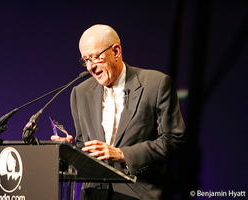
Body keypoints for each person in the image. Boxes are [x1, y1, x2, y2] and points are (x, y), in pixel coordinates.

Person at [51, 24, 186, 200]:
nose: (90, 67)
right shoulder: (80, 93)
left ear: (116, 51)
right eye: (86, 60)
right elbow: (86, 146)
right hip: (94, 194)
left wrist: (123, 154)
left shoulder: (156, 84)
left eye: (95, 57)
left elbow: (174, 140)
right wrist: (71, 150)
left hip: (138, 193)